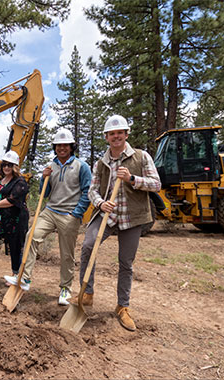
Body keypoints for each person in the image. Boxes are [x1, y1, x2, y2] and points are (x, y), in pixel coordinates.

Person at [70, 114, 161, 332]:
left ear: (126, 134)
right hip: (107, 214)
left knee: (125, 262)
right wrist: (100, 203)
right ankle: (87, 293)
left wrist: (132, 179)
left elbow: (156, 185)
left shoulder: (141, 157)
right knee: (88, 246)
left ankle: (122, 307)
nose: (116, 136)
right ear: (107, 137)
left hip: (132, 216)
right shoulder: (101, 163)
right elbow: (92, 190)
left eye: (119, 132)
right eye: (112, 134)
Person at [5, 128, 92, 306]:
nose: (62, 148)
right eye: (58, 145)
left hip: (69, 213)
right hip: (50, 211)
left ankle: (65, 289)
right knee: (31, 236)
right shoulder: (50, 167)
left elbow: (87, 192)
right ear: (55, 147)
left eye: (65, 145)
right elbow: (43, 194)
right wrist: (43, 179)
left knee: (66, 253)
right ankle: (25, 278)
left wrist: (76, 213)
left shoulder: (81, 166)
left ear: (71, 146)